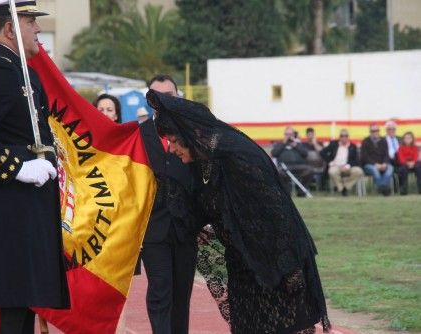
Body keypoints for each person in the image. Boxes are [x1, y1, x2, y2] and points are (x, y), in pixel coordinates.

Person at [147, 89, 330, 334]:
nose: (171, 149)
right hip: (244, 263)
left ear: (190, 135)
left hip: (275, 264)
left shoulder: (237, 155)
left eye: (173, 140)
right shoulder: (203, 159)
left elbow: (276, 212)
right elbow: (204, 207)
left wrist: (289, 268)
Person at [0, 1, 70, 332]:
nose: (37, 29)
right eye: (30, 22)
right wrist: (19, 168)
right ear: (10, 28)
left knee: (18, 312)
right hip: (1, 217)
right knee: (1, 314)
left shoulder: (15, 67)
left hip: (17, 217)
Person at [140, 74, 198, 334]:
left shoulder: (195, 134)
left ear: (178, 97)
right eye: (157, 96)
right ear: (149, 100)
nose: (163, 101)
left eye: (169, 96)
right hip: (153, 229)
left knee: (181, 296)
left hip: (187, 229)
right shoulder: (137, 135)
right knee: (160, 291)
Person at [271, 127, 313, 196]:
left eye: (290, 134)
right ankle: (287, 191)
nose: (289, 136)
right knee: (279, 172)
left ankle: (301, 191)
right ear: (284, 135)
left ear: (294, 135)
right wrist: (283, 144)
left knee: (309, 170)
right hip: (284, 166)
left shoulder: (298, 144)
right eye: (287, 134)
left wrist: (296, 145)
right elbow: (274, 153)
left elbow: (305, 154)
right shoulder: (279, 144)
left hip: (299, 166)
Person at [320, 129, 363, 196]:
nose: (344, 138)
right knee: (332, 171)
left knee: (359, 171)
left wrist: (347, 166)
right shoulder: (334, 144)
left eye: (345, 136)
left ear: (348, 137)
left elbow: (356, 160)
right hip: (336, 166)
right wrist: (330, 162)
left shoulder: (352, 146)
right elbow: (322, 152)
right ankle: (341, 189)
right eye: (342, 136)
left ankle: (346, 187)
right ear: (339, 137)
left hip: (348, 167)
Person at [360, 124, 393, 196]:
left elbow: (387, 155)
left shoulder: (384, 140)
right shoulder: (365, 141)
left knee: (390, 168)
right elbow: (364, 157)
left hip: (382, 163)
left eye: (377, 130)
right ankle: (384, 189)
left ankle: (381, 187)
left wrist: (385, 163)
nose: (375, 132)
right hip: (369, 165)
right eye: (373, 131)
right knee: (375, 169)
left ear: (379, 131)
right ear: (370, 132)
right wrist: (375, 164)